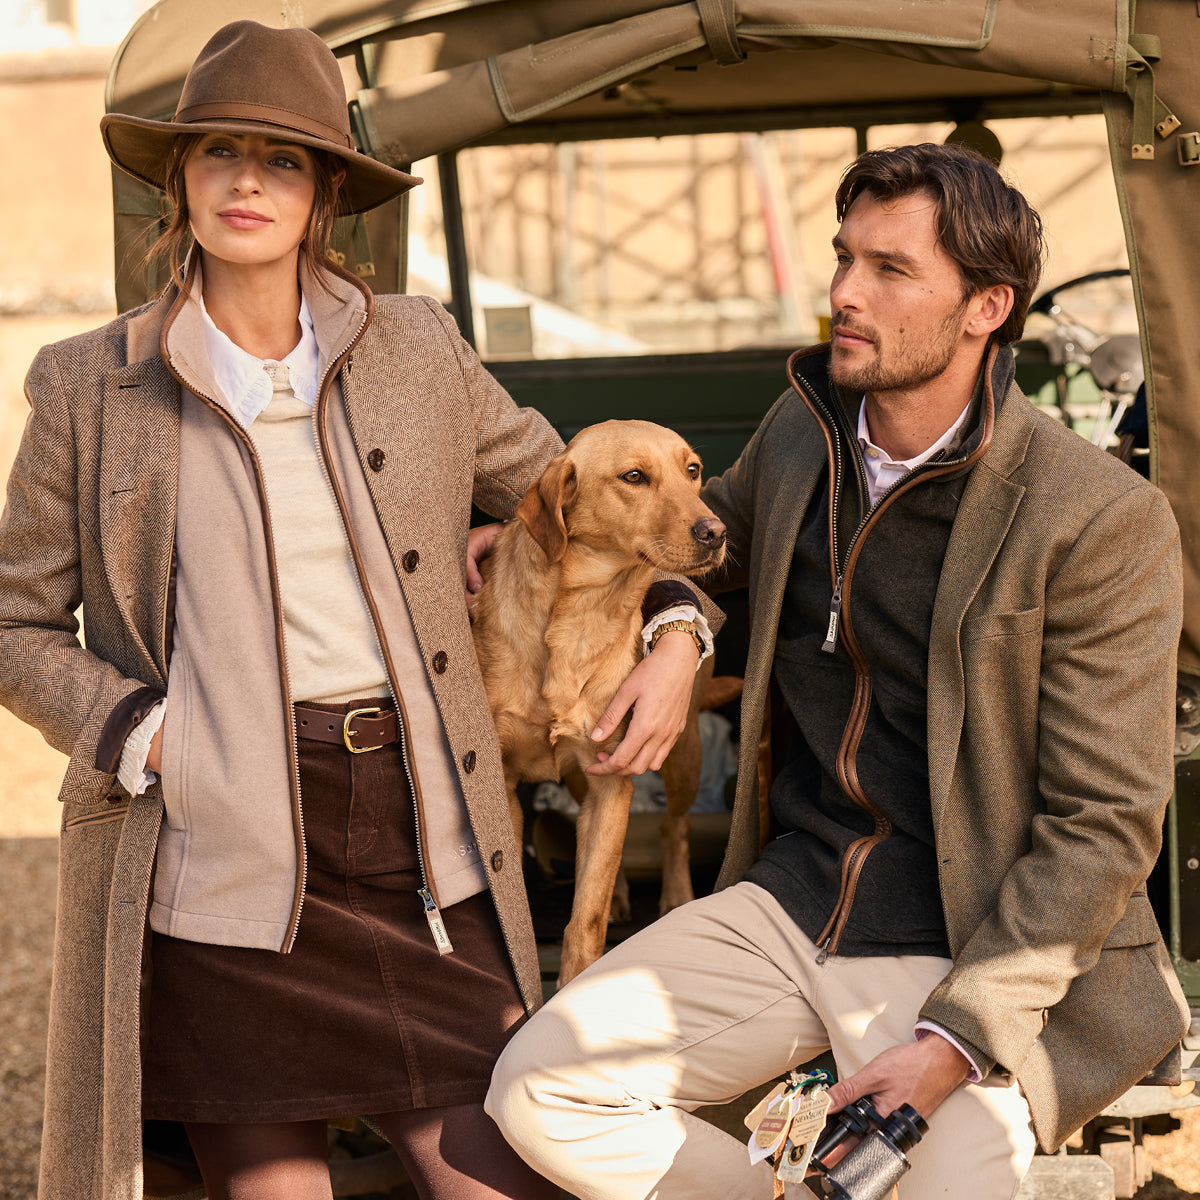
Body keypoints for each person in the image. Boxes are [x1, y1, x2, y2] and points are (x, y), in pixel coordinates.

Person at [0, 20, 711, 1200]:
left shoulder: (419, 349)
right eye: (219, 151)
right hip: (217, 849)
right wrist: (150, 736)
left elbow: (575, 489)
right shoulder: (88, 382)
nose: (246, 180)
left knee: (500, 1177)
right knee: (277, 1191)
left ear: (325, 190)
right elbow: (13, 623)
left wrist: (679, 632)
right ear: (178, 177)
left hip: (419, 833)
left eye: (281, 158)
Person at [486, 142, 1191, 1198]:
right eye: (843, 258)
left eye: (891, 270)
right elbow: (697, 542)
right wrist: (682, 639)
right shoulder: (801, 434)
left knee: (959, 1185)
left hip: (971, 937)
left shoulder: (1098, 518)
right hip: (795, 894)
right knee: (538, 1089)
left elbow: (1106, 829)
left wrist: (956, 1041)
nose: (844, 296)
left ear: (985, 308)